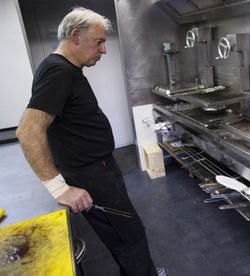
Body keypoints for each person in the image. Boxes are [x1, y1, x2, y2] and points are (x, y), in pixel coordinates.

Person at [16, 7, 165, 276]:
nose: (104, 50)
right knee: (129, 237)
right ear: (75, 36)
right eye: (99, 41)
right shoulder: (57, 71)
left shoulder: (66, 70)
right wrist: (58, 188)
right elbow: (28, 130)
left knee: (126, 234)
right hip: (91, 174)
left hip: (99, 170)